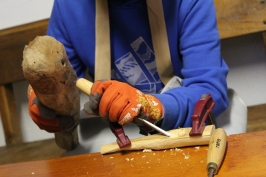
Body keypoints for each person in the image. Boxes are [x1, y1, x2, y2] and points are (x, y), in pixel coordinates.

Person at [28, 0, 228, 139]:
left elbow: (209, 90)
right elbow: (63, 79)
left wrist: (149, 105)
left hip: (183, 128)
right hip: (112, 133)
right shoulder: (69, 6)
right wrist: (47, 103)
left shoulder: (186, 2)